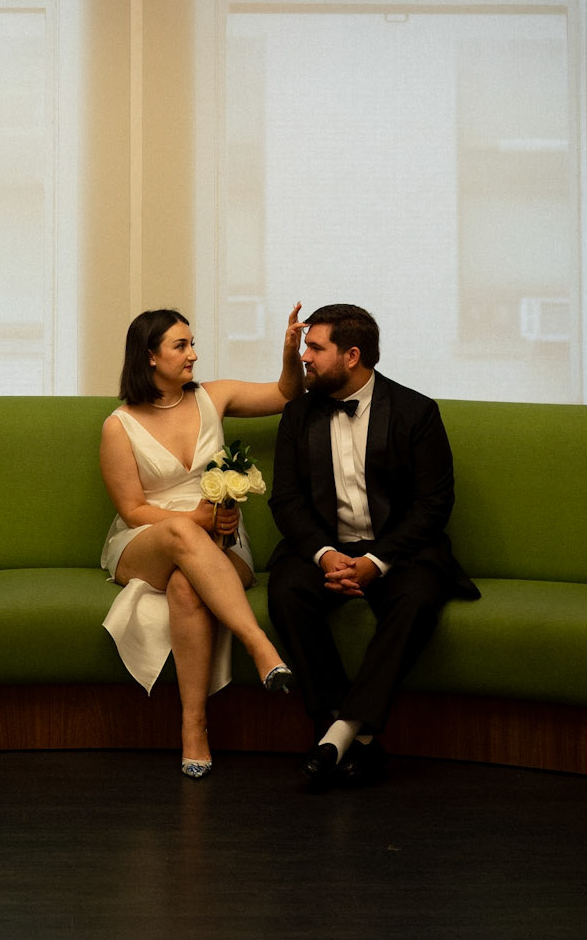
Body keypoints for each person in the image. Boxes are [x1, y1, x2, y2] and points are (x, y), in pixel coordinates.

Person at [267, 304, 480, 792]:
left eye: (316, 348)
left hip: (399, 551)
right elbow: (287, 500)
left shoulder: (415, 412)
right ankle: (354, 739)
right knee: (287, 594)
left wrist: (375, 562)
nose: (306, 357)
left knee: (418, 598)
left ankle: (336, 733)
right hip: (324, 548)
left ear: (353, 355)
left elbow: (433, 505)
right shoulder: (298, 414)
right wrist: (325, 554)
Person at [99, 306, 304, 778]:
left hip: (222, 541)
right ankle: (259, 643)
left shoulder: (215, 397)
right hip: (145, 540)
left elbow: (287, 393)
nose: (193, 355)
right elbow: (132, 509)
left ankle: (194, 727)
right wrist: (194, 517)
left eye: (193, 344)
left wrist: (291, 353)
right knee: (178, 530)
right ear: (150, 357)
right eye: (181, 346)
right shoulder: (119, 425)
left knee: (187, 588)